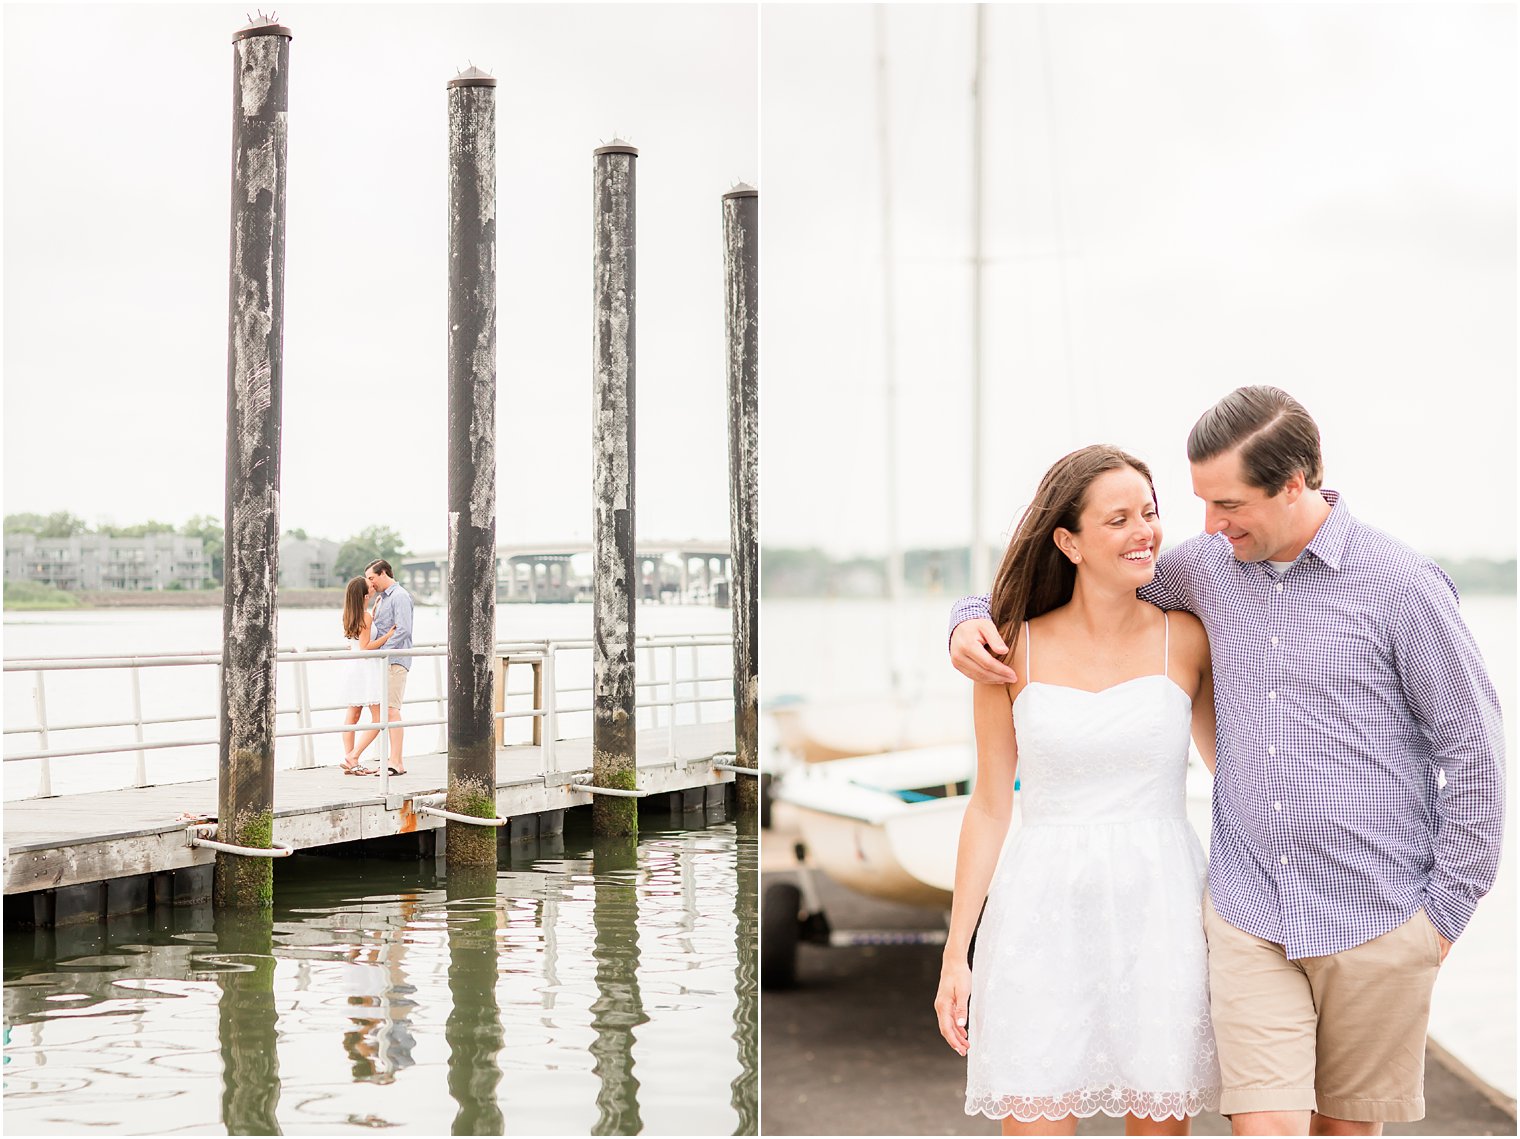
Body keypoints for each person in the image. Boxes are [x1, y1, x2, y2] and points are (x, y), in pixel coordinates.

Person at [947, 387, 1505, 1135]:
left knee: (1344, 1128)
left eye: (1226, 503)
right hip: (1237, 912)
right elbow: (1071, 581)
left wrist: (1444, 913)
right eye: (1199, 503)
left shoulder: (1397, 585)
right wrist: (964, 615)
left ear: (1294, 485)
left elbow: (1474, 749)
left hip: (1368, 909)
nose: (1203, 526)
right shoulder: (1203, 570)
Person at [935, 444, 1221, 1136]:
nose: (1143, 531)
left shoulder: (1188, 639)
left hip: (1163, 911)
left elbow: (1236, 778)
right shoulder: (1008, 648)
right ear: (1068, 541)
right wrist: (956, 953)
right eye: (1117, 518)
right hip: (1041, 912)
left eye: (1149, 512)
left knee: (1158, 1122)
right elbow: (990, 804)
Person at [338, 575, 397, 775]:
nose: (373, 588)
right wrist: (387, 636)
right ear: (364, 595)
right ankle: (354, 756)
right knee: (379, 718)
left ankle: (350, 760)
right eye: (370, 587)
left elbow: (356, 644)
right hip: (365, 669)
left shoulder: (349, 614)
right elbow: (365, 647)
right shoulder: (365, 617)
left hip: (353, 667)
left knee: (352, 715)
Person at [364, 559, 414, 777]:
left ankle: (396, 762)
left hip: (394, 660)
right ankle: (390, 759)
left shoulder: (400, 596)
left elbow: (403, 630)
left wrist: (383, 652)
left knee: (392, 711)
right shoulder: (383, 599)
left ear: (384, 573)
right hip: (385, 661)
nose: (370, 583)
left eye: (372, 578)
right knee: (387, 711)